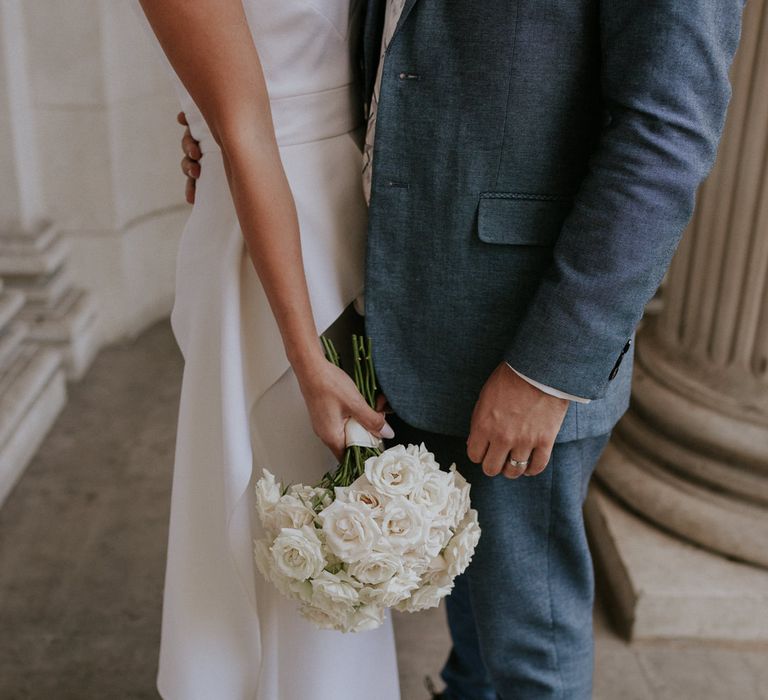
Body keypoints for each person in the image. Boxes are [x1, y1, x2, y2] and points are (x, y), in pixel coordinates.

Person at [179, 0, 748, 698]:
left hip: (524, 326)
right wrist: (226, 123)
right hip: (397, 292)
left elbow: (669, 133)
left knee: (529, 646)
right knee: (469, 607)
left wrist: (546, 370)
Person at [131, 1, 402, 698]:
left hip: (357, 208)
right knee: (295, 521)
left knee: (349, 522)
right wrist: (310, 359)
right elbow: (245, 129)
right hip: (276, 250)